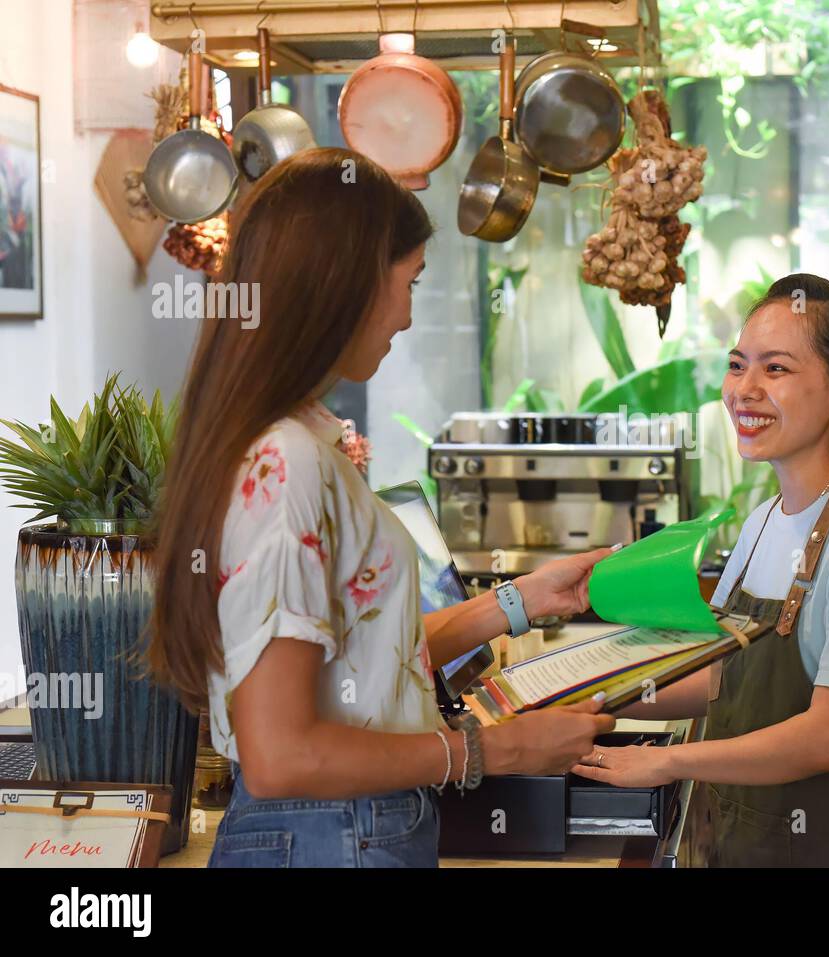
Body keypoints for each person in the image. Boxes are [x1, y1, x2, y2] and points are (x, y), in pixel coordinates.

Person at [148, 148, 614, 867]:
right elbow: (281, 753)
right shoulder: (287, 463)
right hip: (333, 832)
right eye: (410, 282)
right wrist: (490, 749)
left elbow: (359, 663)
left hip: (339, 830)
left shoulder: (291, 441)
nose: (404, 313)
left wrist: (518, 602)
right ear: (347, 282)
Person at [572, 274, 829, 867]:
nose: (744, 390)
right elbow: (723, 679)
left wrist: (665, 760)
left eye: (776, 370)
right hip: (753, 842)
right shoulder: (766, 520)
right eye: (738, 365)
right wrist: (585, 700)